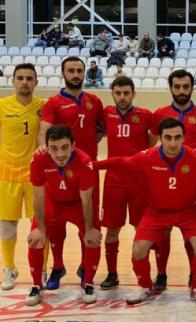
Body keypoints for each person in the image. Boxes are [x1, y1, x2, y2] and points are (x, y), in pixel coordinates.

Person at [94, 118, 196, 306]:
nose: (173, 143)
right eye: (168, 137)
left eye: (177, 137)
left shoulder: (195, 156)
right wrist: (91, 165)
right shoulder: (147, 156)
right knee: (139, 250)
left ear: (184, 138)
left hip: (188, 211)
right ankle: (146, 287)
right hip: (156, 212)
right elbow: (121, 162)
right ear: (160, 138)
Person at [37, 56, 105, 290]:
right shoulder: (53, 103)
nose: (76, 74)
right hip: (60, 173)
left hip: (88, 173)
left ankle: (86, 266)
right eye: (71, 71)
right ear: (63, 73)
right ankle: (57, 266)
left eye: (79, 70)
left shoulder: (95, 101)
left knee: (88, 225)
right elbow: (44, 133)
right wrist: (43, 153)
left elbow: (100, 129)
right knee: (56, 227)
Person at [25, 125, 101, 306]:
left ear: (73, 145)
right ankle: (36, 285)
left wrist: (89, 229)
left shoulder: (85, 162)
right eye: (54, 148)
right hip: (53, 202)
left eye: (65, 147)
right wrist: (40, 229)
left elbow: (87, 200)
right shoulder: (38, 159)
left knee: (92, 238)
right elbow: (38, 196)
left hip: (78, 204)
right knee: (35, 238)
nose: (60, 154)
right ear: (47, 146)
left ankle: (88, 282)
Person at [151, 69, 196, 291]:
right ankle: (161, 274)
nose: (182, 91)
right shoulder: (159, 114)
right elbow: (150, 148)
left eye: (186, 87)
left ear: (192, 87)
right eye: (177, 87)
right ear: (170, 88)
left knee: (193, 234)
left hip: (192, 185)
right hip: (163, 184)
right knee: (163, 232)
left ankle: (194, 275)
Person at [98, 76, 157, 290]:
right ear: (113, 93)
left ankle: (143, 275)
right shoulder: (106, 113)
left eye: (126, 93)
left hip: (139, 181)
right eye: (118, 93)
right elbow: (98, 131)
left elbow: (153, 139)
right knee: (112, 229)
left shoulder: (145, 115)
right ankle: (112, 273)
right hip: (114, 181)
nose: (122, 97)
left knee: (141, 229)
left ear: (133, 94)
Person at [0, 64, 45, 290]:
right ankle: (9, 269)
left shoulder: (43, 107)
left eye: (29, 78)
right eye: (20, 78)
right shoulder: (2, 106)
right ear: (13, 81)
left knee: (39, 225)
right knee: (7, 227)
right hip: (6, 175)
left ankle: (42, 269)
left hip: (34, 177)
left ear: (36, 82)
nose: (24, 82)